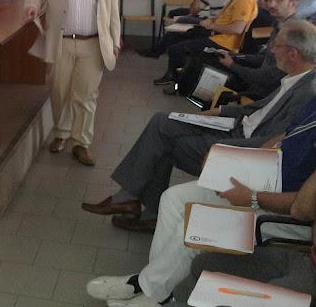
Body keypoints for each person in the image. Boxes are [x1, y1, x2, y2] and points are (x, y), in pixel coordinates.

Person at [86, 89, 316, 307]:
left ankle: (150, 290)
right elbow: (284, 135)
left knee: (192, 226)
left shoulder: (307, 89)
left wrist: (253, 198)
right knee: (173, 199)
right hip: (263, 180)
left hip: (284, 213)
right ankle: (155, 287)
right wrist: (246, 159)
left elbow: (301, 209)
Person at [82, 20, 316, 232]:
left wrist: (223, 147)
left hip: (243, 145)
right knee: (162, 121)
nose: (272, 51)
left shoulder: (307, 92)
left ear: (293, 53)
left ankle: (136, 203)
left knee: (163, 141)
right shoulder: (295, 78)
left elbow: (276, 139)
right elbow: (258, 109)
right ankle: (134, 202)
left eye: (277, 46)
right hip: (234, 126)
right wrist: (220, 111)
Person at [24, 0, 120, 166]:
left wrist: (115, 41)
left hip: (93, 45)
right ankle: (61, 133)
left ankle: (81, 143)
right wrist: (32, 6)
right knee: (59, 92)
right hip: (61, 42)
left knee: (86, 96)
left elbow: (113, 13)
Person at [180, 163, 316, 302]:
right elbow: (302, 208)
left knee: (256, 300)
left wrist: (253, 197)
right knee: (202, 264)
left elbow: (300, 211)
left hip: (310, 277)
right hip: (305, 261)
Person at [154, 0, 256, 87]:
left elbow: (237, 29)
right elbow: (218, 17)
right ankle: (177, 75)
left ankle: (178, 81)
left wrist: (211, 26)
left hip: (223, 41)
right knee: (175, 37)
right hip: (217, 35)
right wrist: (211, 19)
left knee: (177, 49)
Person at [216, 0, 297, 100]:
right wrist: (236, 56)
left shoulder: (293, 34)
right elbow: (266, 58)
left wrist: (232, 65)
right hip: (257, 86)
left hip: (266, 97)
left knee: (213, 91)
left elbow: (267, 79)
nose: (272, 4)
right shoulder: (277, 24)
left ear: (293, 3)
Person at [139, 0, 230, 59]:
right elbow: (193, 11)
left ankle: (173, 55)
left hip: (218, 31)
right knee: (172, 34)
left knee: (179, 45)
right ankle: (155, 52)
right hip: (208, 27)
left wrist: (210, 22)